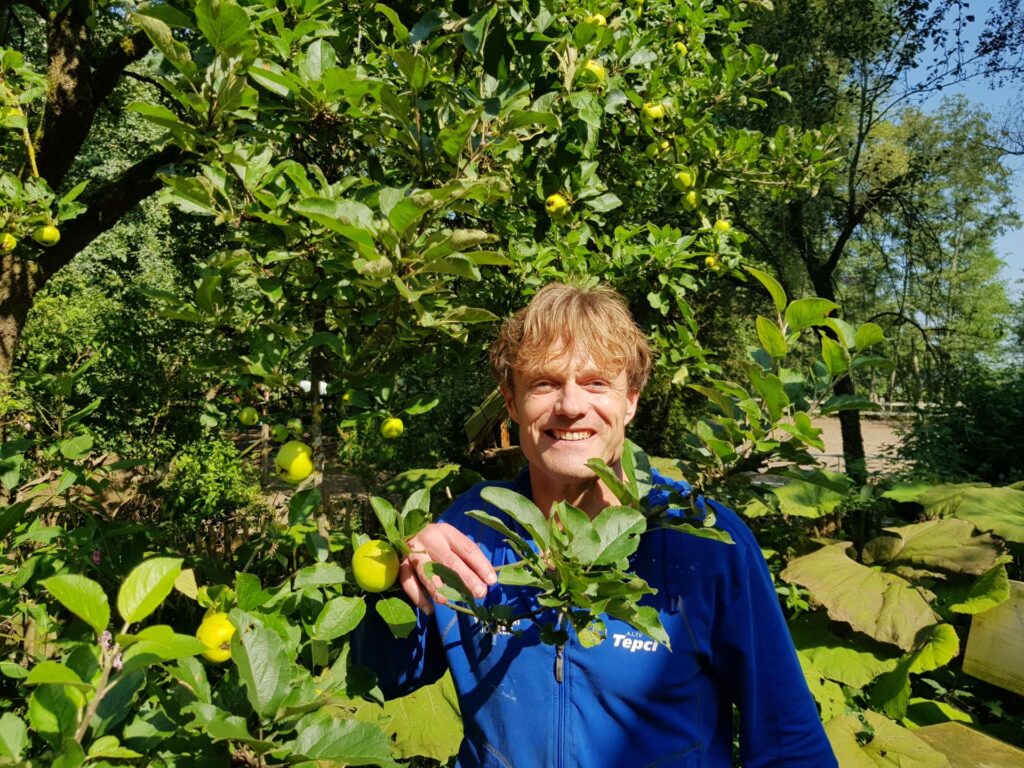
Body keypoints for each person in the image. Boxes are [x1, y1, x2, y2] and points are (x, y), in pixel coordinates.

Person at [354, 283, 837, 768]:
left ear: (631, 400)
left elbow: (789, 745)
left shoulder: (703, 543)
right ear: (511, 402)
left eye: (595, 383)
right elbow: (382, 676)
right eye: (544, 383)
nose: (570, 405)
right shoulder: (470, 529)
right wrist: (398, 574)